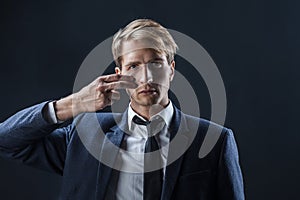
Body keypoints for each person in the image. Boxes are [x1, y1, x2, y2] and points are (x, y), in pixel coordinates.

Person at [0, 19, 244, 200]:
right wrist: (73, 104)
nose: (146, 76)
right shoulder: (85, 134)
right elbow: (6, 140)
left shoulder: (216, 140)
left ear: (171, 69)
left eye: (155, 63)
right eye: (134, 66)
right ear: (119, 75)